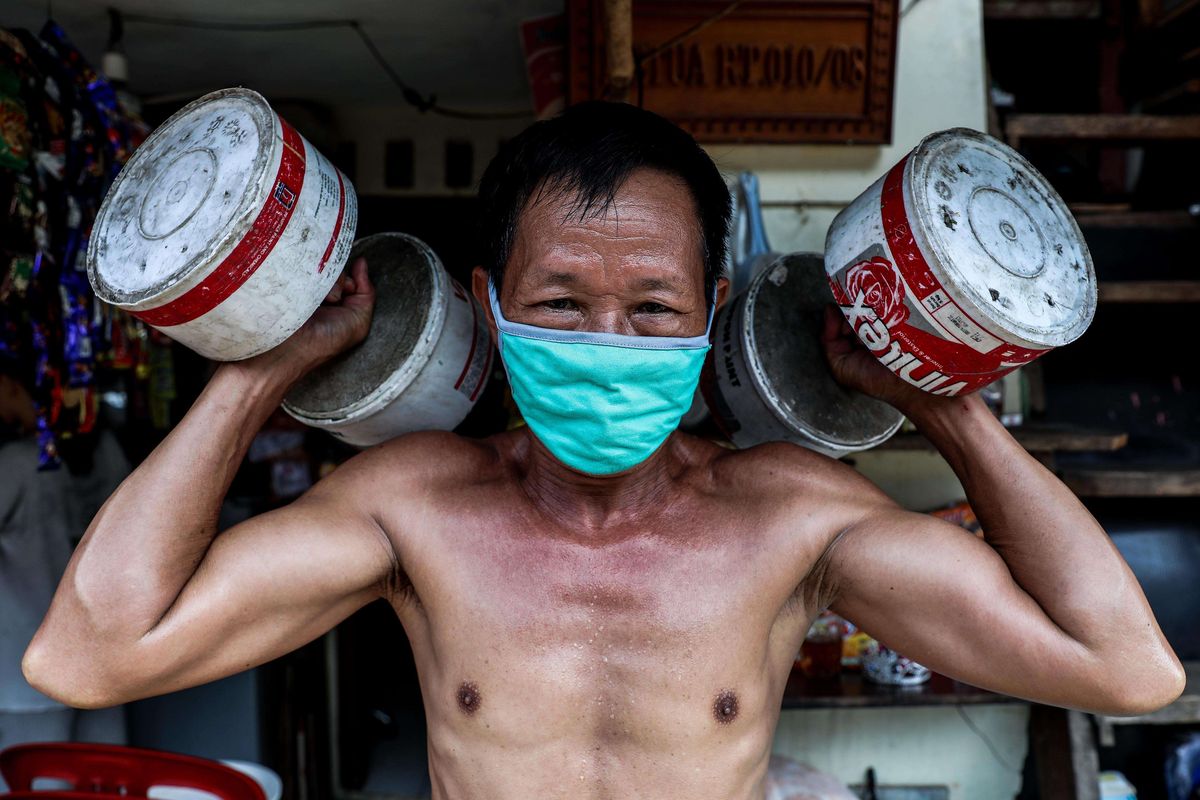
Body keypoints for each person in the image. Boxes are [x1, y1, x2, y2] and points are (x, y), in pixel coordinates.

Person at [23, 102, 1183, 799]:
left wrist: (940, 401)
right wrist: (257, 372)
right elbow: (88, 654)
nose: (607, 341)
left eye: (654, 309)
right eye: (563, 302)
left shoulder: (795, 516)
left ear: (714, 308)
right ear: (490, 301)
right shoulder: (411, 508)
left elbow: (1127, 666)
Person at [0, 360, 128, 777]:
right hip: (100, 654)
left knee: (37, 780)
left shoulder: (20, 461)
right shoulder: (99, 449)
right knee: (105, 778)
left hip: (28, 660)